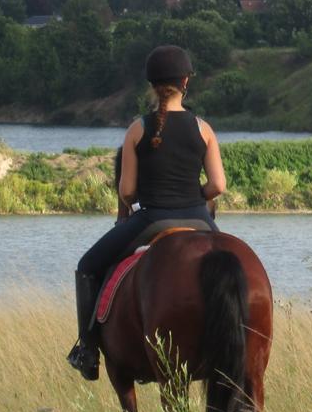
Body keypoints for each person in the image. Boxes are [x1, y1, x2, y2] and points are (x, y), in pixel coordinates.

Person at [66, 45, 226, 380]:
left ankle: (88, 348)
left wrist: (152, 196)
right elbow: (218, 186)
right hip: (200, 218)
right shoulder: (204, 129)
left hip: (151, 219)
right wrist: (193, 196)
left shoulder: (137, 130)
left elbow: (126, 191)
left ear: (152, 85)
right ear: (186, 82)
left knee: (87, 267)